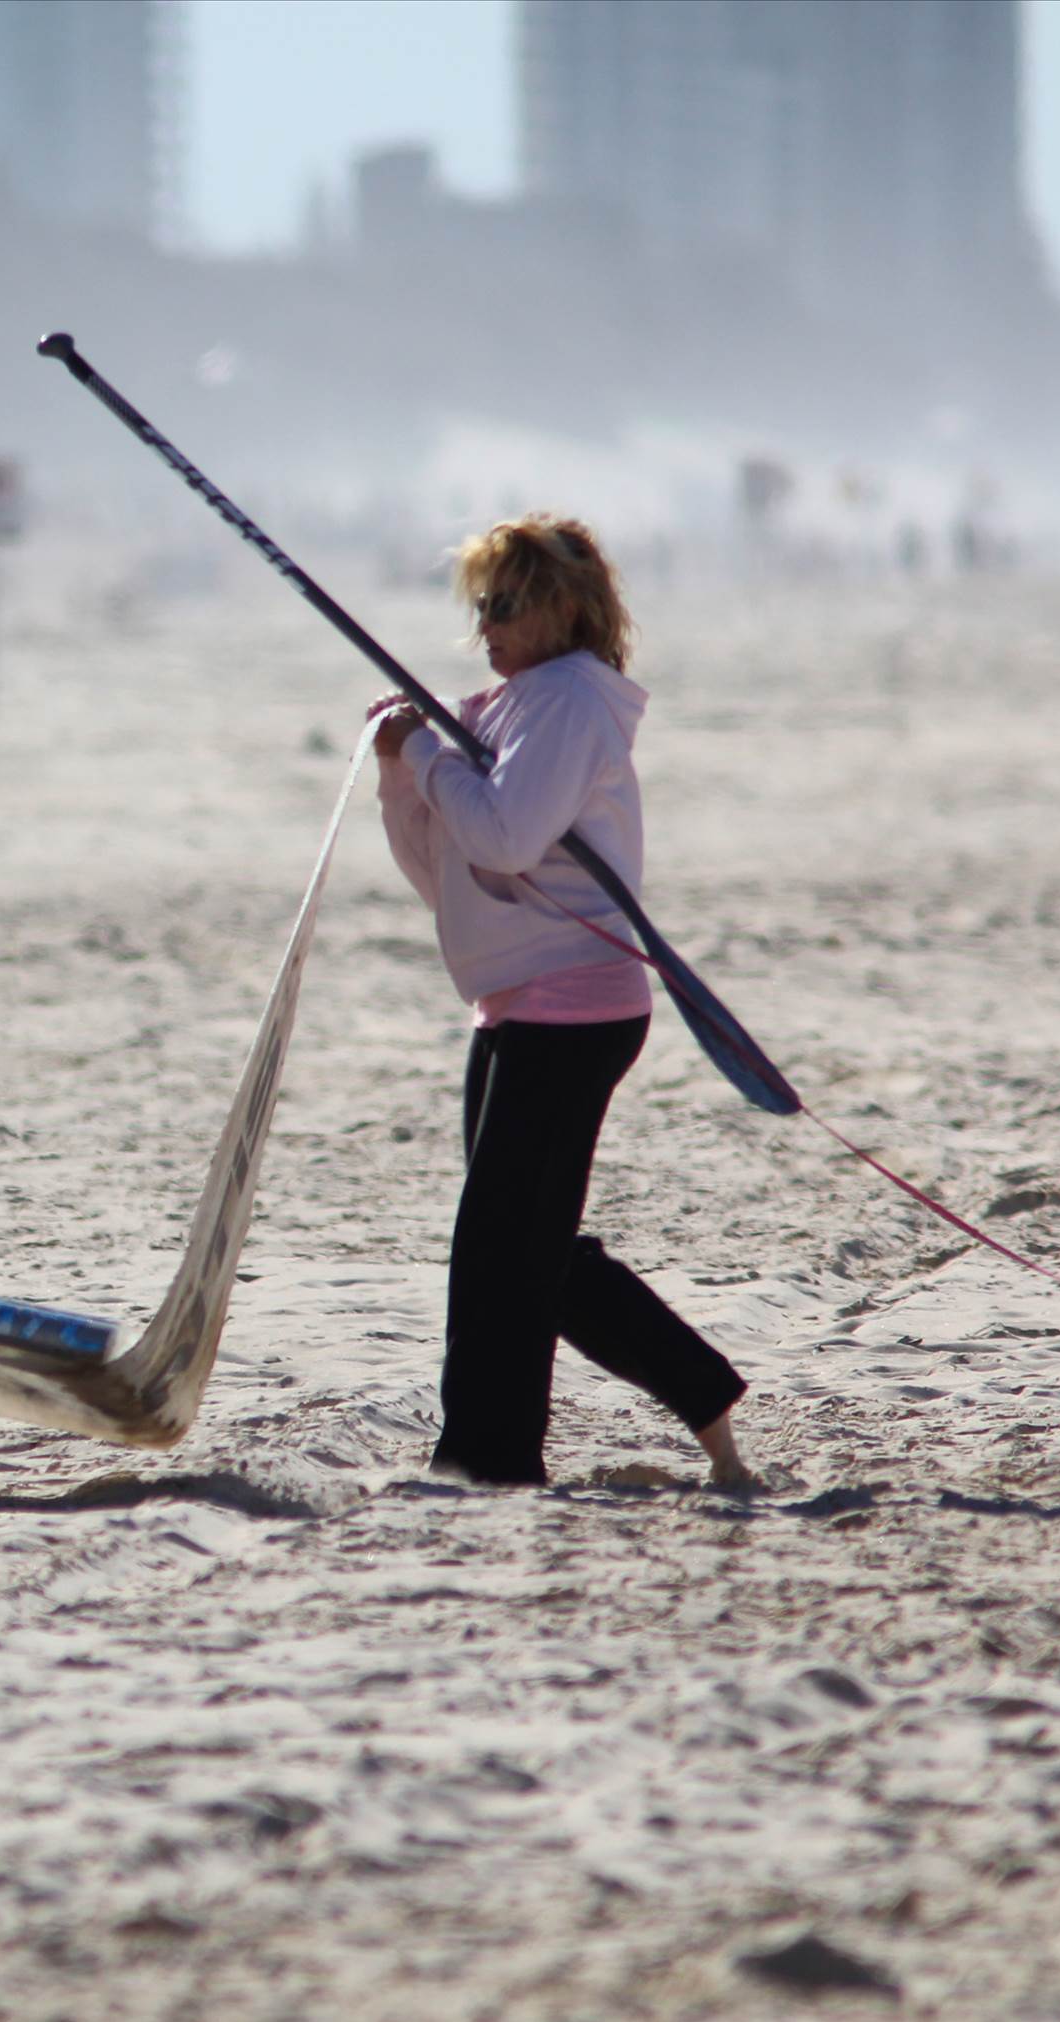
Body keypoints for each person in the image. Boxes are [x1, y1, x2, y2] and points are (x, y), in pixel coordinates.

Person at [367, 515, 753, 1489]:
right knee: (532, 1251)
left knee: (499, 1253)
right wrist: (398, 774)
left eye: (504, 605)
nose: (484, 626)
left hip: (574, 1006)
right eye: (478, 607)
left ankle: (485, 1463)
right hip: (512, 1002)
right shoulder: (512, 705)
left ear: (562, 611)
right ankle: (704, 1398)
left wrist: (429, 761)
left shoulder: (570, 702)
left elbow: (503, 834)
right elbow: (453, 870)